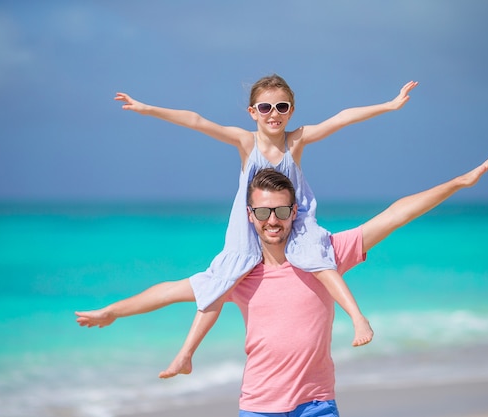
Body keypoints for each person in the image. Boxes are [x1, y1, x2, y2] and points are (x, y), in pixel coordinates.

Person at [76, 150, 488, 397]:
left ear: (293, 210)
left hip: (317, 402)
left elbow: (393, 215)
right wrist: (113, 311)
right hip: (259, 404)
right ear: (251, 215)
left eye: (281, 209)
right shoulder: (240, 274)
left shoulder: (326, 255)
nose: (272, 219)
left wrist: (458, 184)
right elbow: (170, 291)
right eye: (263, 211)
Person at [82, 75, 418, 356]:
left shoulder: (296, 140)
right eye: (266, 107)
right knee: (217, 282)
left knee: (319, 257)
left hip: (294, 221)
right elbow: (197, 120)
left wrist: (388, 105)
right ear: (252, 111)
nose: (274, 114)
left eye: (282, 107)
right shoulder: (246, 141)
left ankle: (358, 318)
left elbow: (341, 118)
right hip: (249, 224)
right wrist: (147, 108)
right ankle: (153, 335)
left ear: (291, 111)